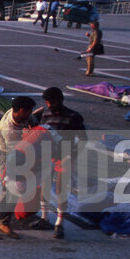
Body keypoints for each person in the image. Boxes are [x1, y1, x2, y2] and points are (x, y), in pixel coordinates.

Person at [29, 87, 85, 239]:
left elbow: (83, 139)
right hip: (48, 155)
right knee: (45, 187)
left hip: (65, 157)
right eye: (47, 102)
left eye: (52, 102)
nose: (49, 105)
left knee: (60, 190)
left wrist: (72, 157)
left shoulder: (74, 117)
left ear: (60, 100)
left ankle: (59, 224)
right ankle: (45, 218)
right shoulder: (45, 115)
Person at [0, 95, 36, 240]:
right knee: (8, 190)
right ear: (22, 110)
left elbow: (34, 123)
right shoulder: (9, 130)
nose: (30, 115)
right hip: (6, 158)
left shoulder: (17, 114)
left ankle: (3, 222)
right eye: (29, 112)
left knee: (16, 191)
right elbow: (15, 154)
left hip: (18, 155)